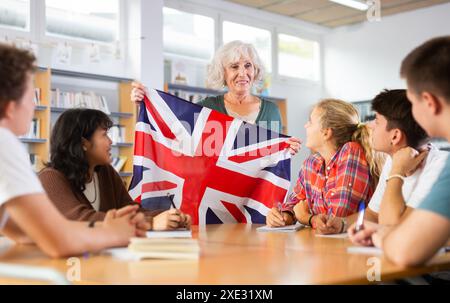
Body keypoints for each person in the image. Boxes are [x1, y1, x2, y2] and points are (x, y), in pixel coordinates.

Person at [0, 43, 145, 258]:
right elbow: (59, 243)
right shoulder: (4, 143)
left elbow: (25, 232)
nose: (33, 106)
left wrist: (105, 228)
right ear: (11, 107)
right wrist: (115, 233)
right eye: (32, 97)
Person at [348, 36, 450, 267]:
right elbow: (384, 221)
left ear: (429, 102)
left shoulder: (445, 166)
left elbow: (406, 250)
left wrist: (384, 235)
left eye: (413, 103)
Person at [131, 41, 301, 155]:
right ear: (223, 73)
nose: (243, 73)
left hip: (256, 200)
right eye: (234, 66)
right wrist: (144, 104)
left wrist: (288, 150)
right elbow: (172, 129)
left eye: (248, 65)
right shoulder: (207, 108)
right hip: (216, 198)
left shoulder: (271, 111)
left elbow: (274, 156)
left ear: (255, 70)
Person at [319, 89, 448, 234]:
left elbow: (394, 227)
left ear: (395, 136)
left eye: (377, 121)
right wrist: (342, 223)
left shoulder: (440, 169)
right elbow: (373, 214)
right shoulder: (392, 159)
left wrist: (397, 172)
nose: (369, 125)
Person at [38, 108, 191, 230]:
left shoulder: (105, 172)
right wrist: (150, 223)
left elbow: (132, 210)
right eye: (104, 135)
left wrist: (170, 217)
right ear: (83, 143)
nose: (111, 141)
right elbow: (81, 219)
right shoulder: (51, 178)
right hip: (69, 264)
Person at [266, 99, 381, 230]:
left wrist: (306, 218)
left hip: (350, 243)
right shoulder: (311, 164)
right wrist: (283, 216)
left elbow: (335, 219)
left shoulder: (351, 152)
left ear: (326, 132)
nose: (305, 125)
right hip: (321, 244)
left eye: (310, 121)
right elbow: (295, 204)